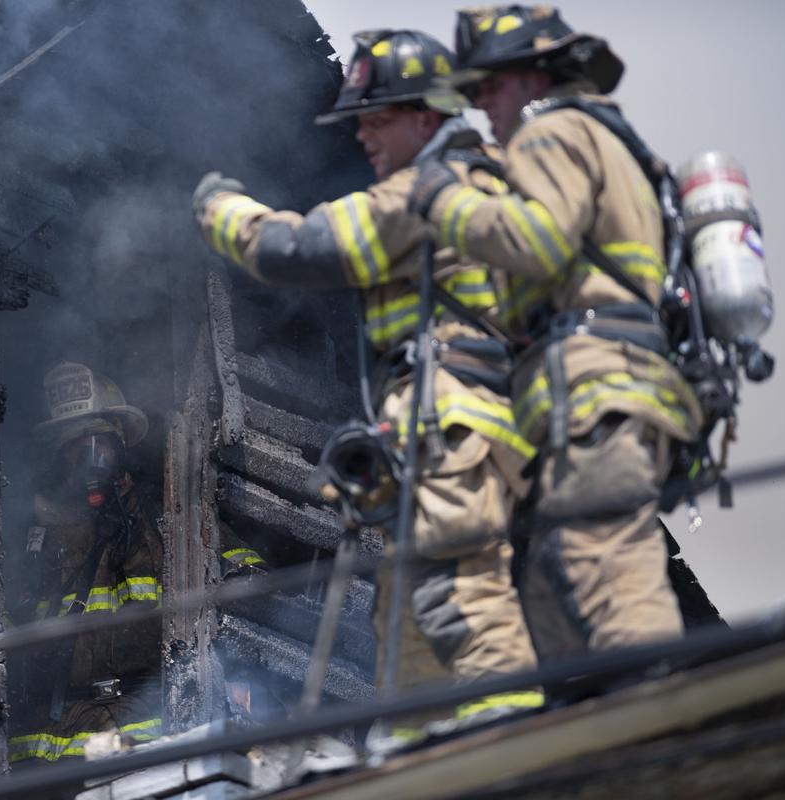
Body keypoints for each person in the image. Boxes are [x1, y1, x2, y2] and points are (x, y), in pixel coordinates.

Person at [192, 30, 541, 724]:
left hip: (454, 429)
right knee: (407, 619)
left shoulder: (425, 194)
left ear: (427, 117)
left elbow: (293, 247)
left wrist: (219, 210)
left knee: (461, 597)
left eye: (378, 119)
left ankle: (512, 738)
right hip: (441, 438)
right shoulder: (487, 192)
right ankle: (419, 758)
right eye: (359, 123)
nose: (365, 138)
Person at [410, 5, 703, 660]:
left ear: (534, 77)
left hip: (595, 387)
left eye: (489, 85)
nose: (482, 105)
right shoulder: (614, 138)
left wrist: (442, 199)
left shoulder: (549, 135)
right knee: (549, 586)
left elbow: (537, 241)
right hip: (626, 383)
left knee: (609, 567)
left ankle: (658, 723)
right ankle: (585, 735)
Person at [8, 362, 264, 763]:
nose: (88, 458)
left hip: (144, 721)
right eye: (75, 446)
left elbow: (249, 580)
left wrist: (234, 667)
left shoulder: (169, 516)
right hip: (53, 736)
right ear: (60, 455)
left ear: (121, 443)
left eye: (98, 442)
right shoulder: (37, 533)